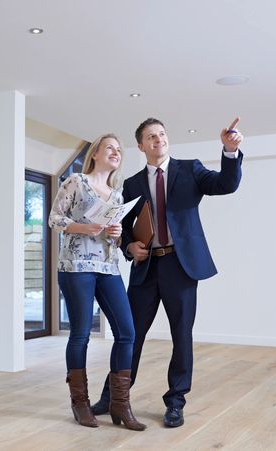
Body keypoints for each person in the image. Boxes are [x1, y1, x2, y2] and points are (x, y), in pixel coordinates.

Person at [91, 117, 244, 428]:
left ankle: (175, 402)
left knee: (181, 336)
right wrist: (130, 247)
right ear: (141, 145)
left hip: (181, 266)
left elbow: (225, 185)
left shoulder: (191, 170)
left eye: (161, 134)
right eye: (151, 136)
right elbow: (122, 228)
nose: (158, 140)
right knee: (129, 336)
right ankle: (113, 397)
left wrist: (229, 152)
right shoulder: (132, 184)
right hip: (147, 268)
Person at [49, 133, 146, 431]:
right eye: (110, 148)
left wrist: (116, 235)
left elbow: (111, 238)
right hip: (76, 266)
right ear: (95, 154)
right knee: (80, 334)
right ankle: (80, 404)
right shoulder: (76, 181)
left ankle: (120, 404)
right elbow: (55, 219)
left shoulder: (117, 195)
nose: (116, 153)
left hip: (108, 267)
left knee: (127, 333)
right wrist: (84, 226)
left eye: (119, 150)